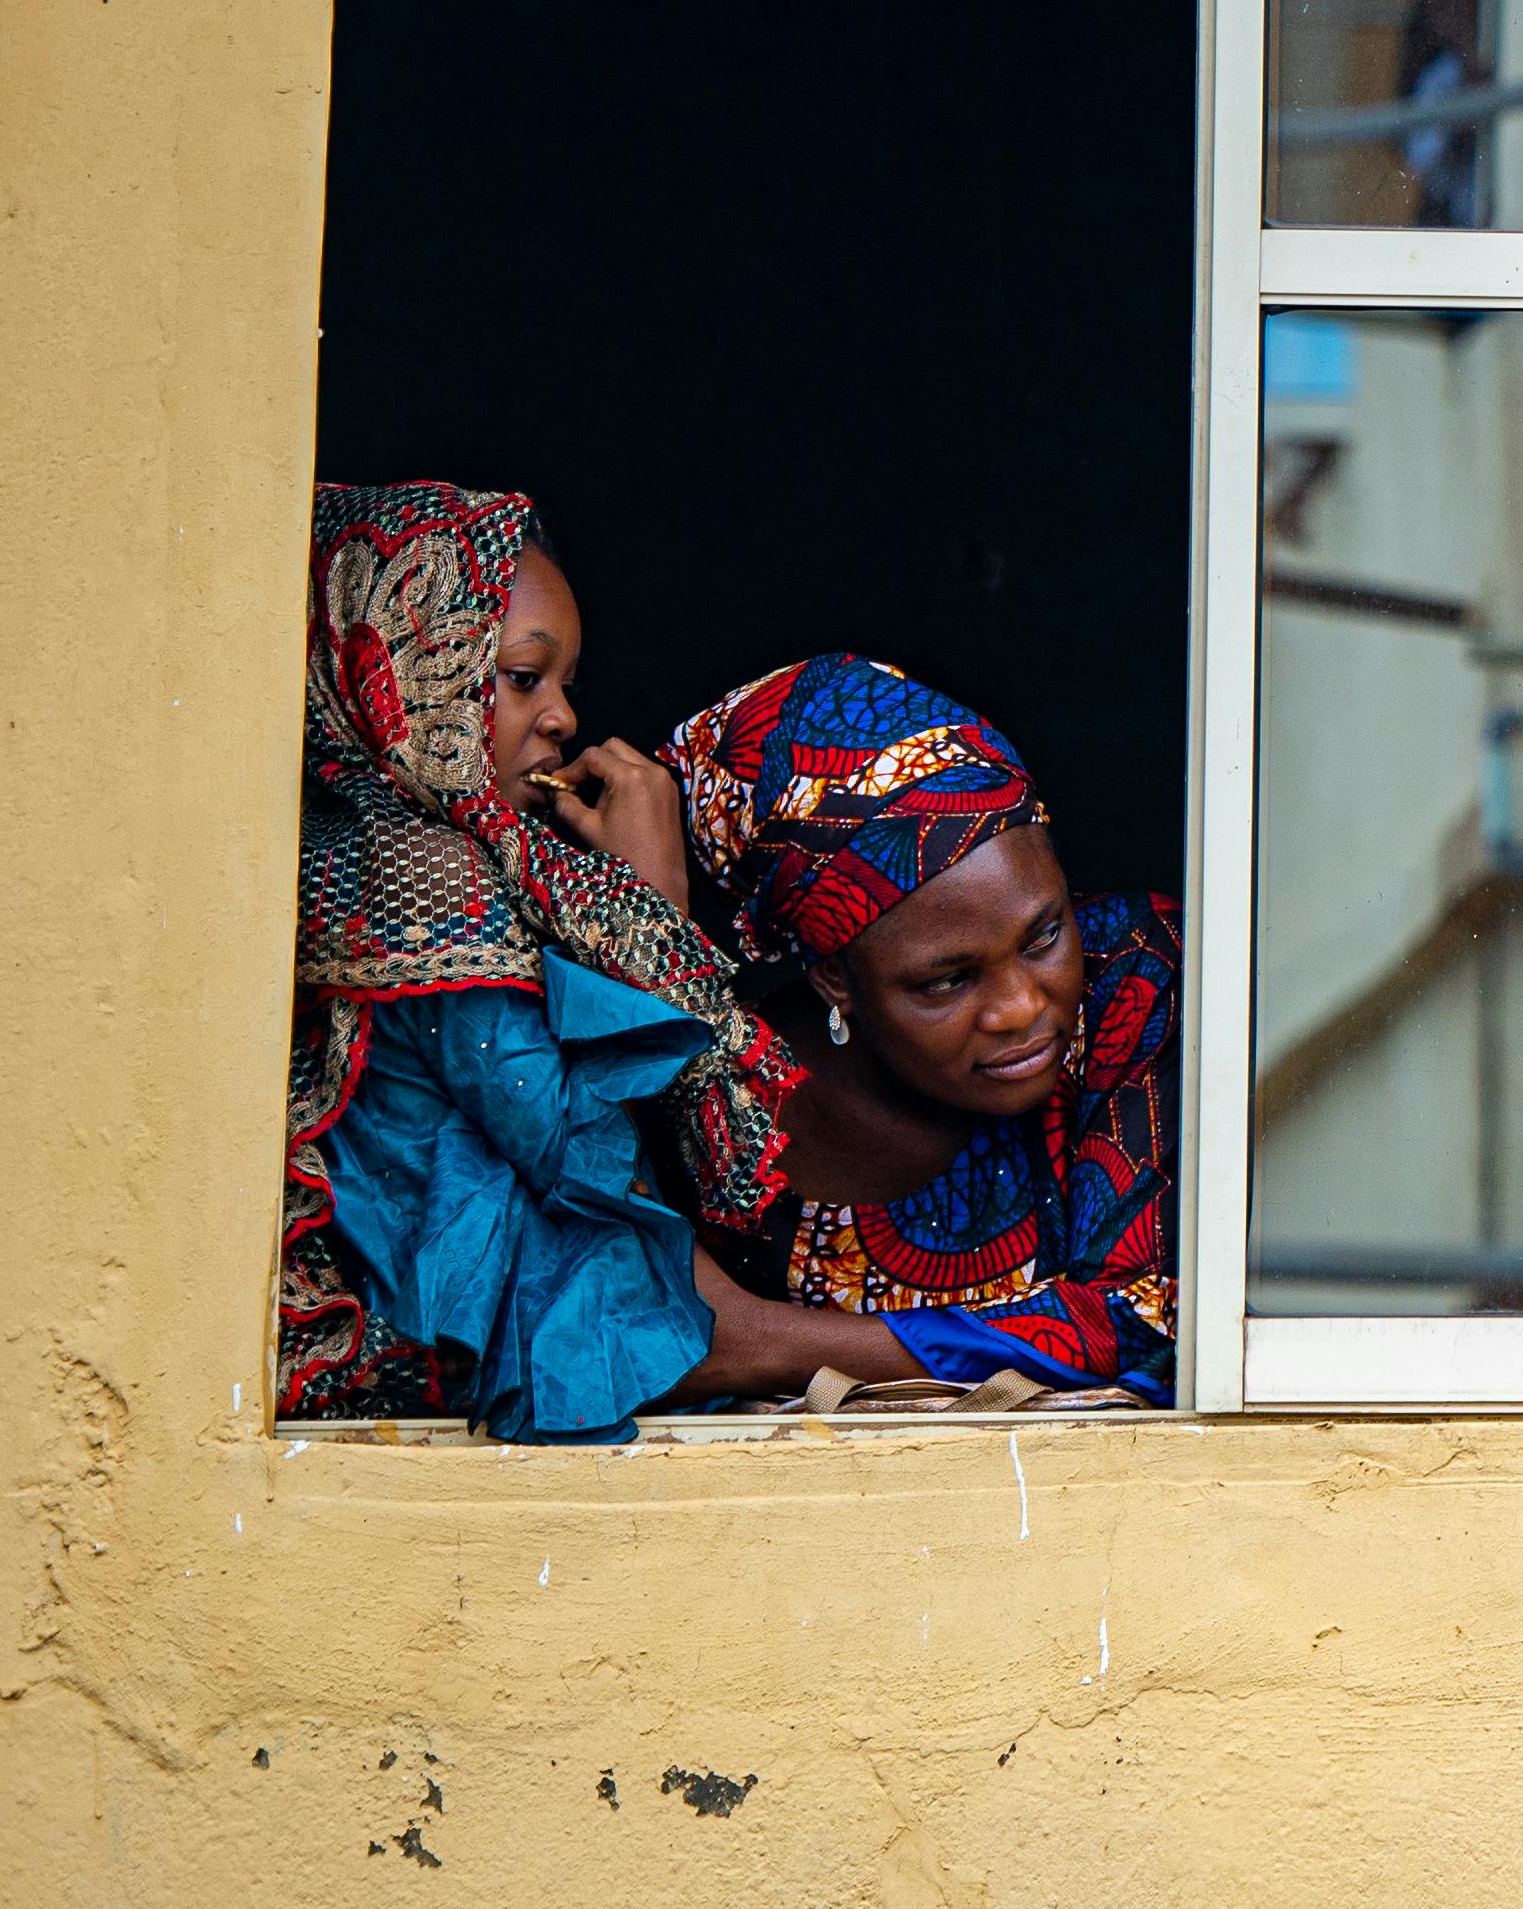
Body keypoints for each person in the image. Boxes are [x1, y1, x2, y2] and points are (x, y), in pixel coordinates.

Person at [276, 483, 787, 1439]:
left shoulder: (357, 840)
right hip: (424, 1380)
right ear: (396, 670)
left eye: (565, 686)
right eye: (521, 678)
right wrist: (655, 907)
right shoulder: (414, 863)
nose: (558, 719)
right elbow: (566, 1142)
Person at [647, 656, 1180, 1399]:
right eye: (948, 980)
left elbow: (1156, 1320)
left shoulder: (1135, 972)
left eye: (1043, 935)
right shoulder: (723, 1091)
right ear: (835, 976)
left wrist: (759, 1343)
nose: (1022, 1007)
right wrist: (640, 935)